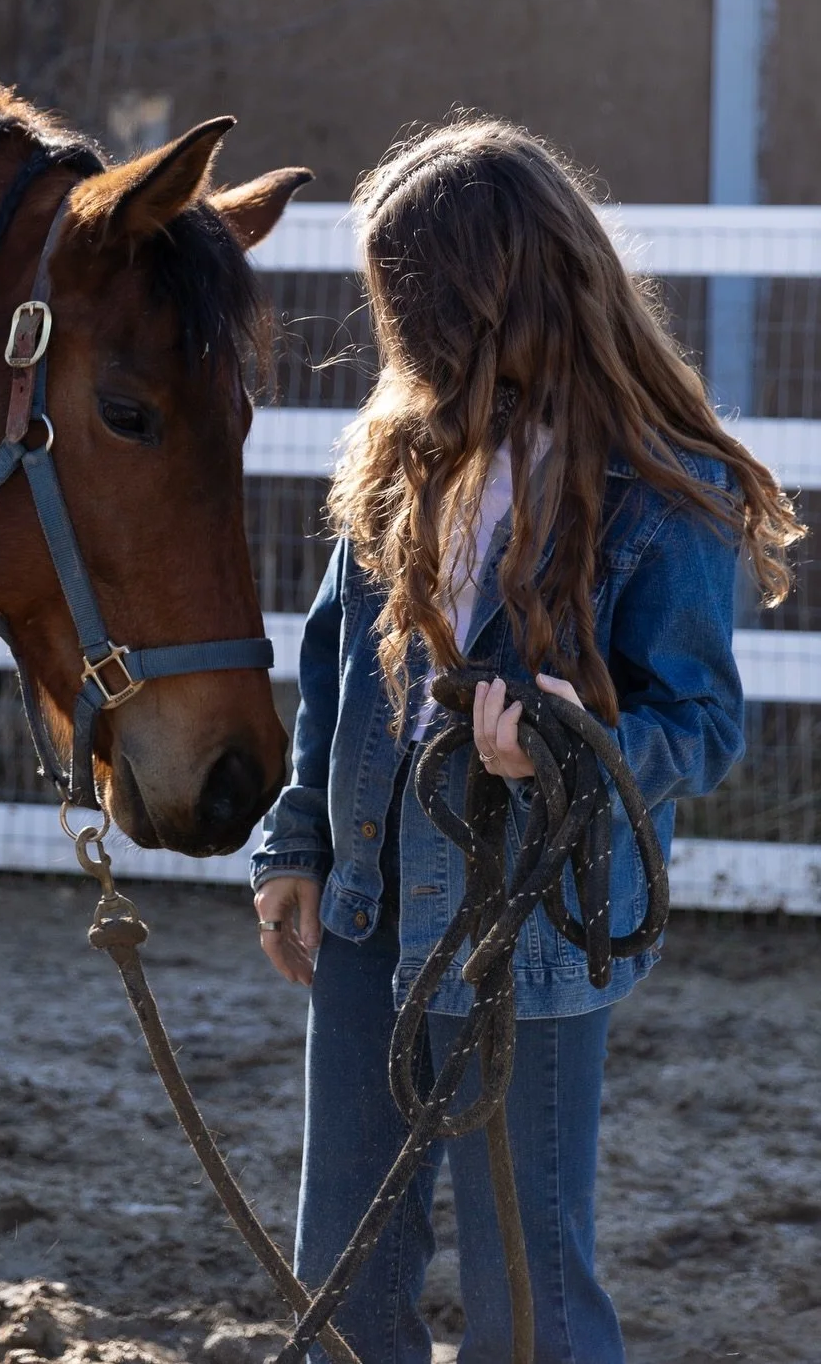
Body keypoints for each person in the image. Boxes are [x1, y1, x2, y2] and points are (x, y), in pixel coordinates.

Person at [251, 119, 801, 1364]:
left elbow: (702, 726)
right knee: (341, 1260)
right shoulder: (403, 456)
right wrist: (295, 836)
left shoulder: (664, 495)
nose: (399, 333)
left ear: (483, 294)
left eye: (412, 300)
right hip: (368, 901)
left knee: (529, 1284)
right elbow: (336, 662)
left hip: (534, 932)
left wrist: (557, 748)